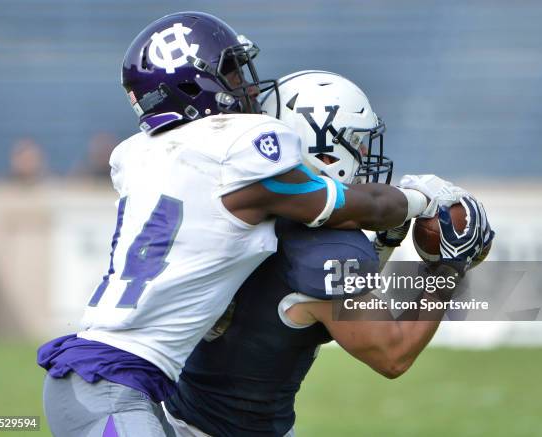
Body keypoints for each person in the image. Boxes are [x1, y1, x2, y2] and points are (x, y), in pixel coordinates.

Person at [37, 13, 472, 437]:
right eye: (232, 73)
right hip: (114, 385)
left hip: (121, 385)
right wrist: (429, 220)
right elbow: (389, 348)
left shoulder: (146, 154)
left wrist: (386, 242)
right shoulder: (244, 160)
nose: (248, 86)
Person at [164, 71, 495, 437]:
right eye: (358, 142)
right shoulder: (323, 251)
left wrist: (383, 246)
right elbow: (393, 353)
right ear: (323, 150)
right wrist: (448, 269)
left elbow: (312, 309)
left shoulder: (244, 203)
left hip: (181, 411)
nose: (367, 153)